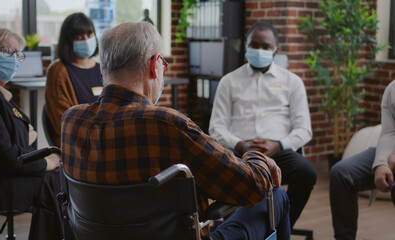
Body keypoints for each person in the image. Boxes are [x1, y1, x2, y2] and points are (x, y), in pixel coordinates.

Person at [61, 21, 291, 240]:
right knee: (276, 196)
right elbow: (252, 187)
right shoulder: (167, 124)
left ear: (103, 68)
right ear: (155, 65)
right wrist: (256, 157)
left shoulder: (71, 121)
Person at [208, 22, 317, 229]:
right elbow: (216, 128)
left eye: (266, 46)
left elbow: (304, 129)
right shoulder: (229, 81)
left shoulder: (292, 82)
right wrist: (241, 145)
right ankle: (237, 228)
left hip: (278, 151)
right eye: (254, 45)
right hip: (240, 153)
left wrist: (278, 144)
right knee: (219, 169)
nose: (259, 50)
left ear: (276, 48)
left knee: (306, 172)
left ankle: (281, 224)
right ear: (245, 46)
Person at [0, 27, 63, 240]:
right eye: (7, 51)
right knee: (55, 183)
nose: (14, 59)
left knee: (60, 179)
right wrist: (47, 162)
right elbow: (4, 155)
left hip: (7, 174)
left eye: (17, 54)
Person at [330, 80, 395, 240]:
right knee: (342, 173)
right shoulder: (392, 88)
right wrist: (380, 163)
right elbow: (389, 131)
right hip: (390, 152)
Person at [45, 12, 103, 147]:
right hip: (77, 146)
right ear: (68, 40)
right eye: (79, 36)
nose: (86, 40)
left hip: (103, 140)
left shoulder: (103, 69)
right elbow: (64, 122)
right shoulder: (58, 71)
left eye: (89, 34)